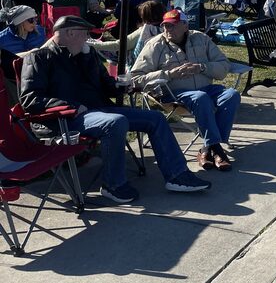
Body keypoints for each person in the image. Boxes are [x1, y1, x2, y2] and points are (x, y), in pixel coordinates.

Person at [20, 15, 211, 203]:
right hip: (65, 120)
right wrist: (72, 107)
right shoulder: (39, 57)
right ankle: (113, 185)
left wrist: (121, 87)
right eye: (84, 33)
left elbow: (106, 84)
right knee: (114, 122)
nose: (88, 38)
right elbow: (30, 99)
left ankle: (177, 175)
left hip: (99, 111)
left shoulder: (87, 55)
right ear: (70, 33)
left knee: (155, 118)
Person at [132, 9, 239, 172]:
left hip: (206, 88)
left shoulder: (201, 38)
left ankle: (208, 147)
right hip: (173, 94)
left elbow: (224, 65)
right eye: (165, 25)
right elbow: (136, 77)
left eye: (172, 25)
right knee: (200, 98)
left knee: (231, 95)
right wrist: (169, 74)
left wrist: (202, 67)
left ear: (185, 26)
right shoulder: (155, 45)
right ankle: (217, 150)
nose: (167, 29)